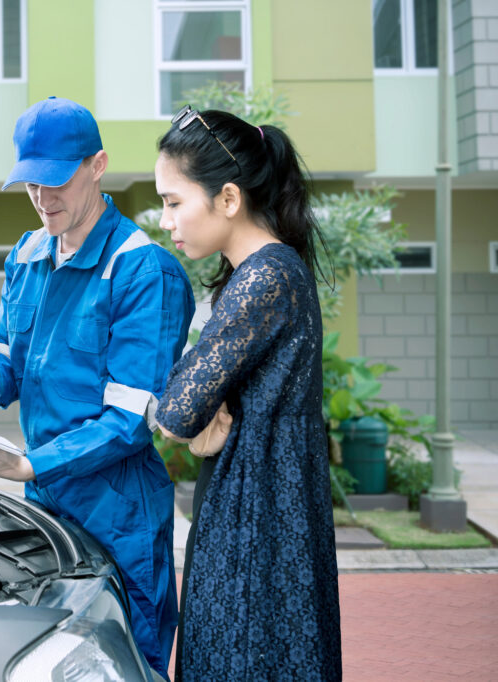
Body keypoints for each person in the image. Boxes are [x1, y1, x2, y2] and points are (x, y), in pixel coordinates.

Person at [0, 96, 196, 679]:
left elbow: (131, 419)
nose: (43, 197)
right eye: (31, 182)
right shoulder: (28, 253)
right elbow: (9, 345)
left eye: (57, 180)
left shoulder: (142, 270)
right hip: (48, 512)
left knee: (132, 663)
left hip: (119, 515)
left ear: (98, 165)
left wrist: (33, 465)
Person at [153, 105, 342, 680]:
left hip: (257, 520)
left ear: (228, 199)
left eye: (173, 201)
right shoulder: (264, 273)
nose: (166, 221)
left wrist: (190, 412)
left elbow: (180, 409)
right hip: (261, 506)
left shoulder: (264, 276)